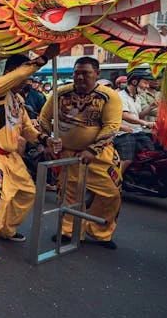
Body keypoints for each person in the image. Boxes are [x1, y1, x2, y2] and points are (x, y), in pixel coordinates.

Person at [0, 45, 60, 260]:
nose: (26, 82)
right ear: (11, 74)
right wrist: (44, 58)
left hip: (11, 156)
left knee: (28, 192)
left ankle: (4, 229)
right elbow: (20, 73)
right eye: (23, 77)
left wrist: (46, 139)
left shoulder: (18, 101)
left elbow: (27, 129)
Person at [39, 56, 123, 249]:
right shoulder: (60, 93)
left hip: (100, 156)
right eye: (77, 72)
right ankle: (68, 231)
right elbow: (44, 119)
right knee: (69, 194)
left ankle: (100, 231)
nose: (79, 77)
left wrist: (92, 150)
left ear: (97, 74)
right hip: (68, 155)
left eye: (85, 73)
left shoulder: (109, 96)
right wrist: (46, 142)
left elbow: (111, 127)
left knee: (112, 194)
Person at [113, 70, 156, 173]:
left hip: (137, 131)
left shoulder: (137, 97)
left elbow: (138, 115)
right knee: (127, 160)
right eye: (145, 82)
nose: (147, 86)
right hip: (123, 133)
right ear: (134, 82)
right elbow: (125, 115)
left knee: (151, 154)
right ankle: (115, 182)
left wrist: (150, 107)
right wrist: (144, 123)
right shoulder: (121, 96)